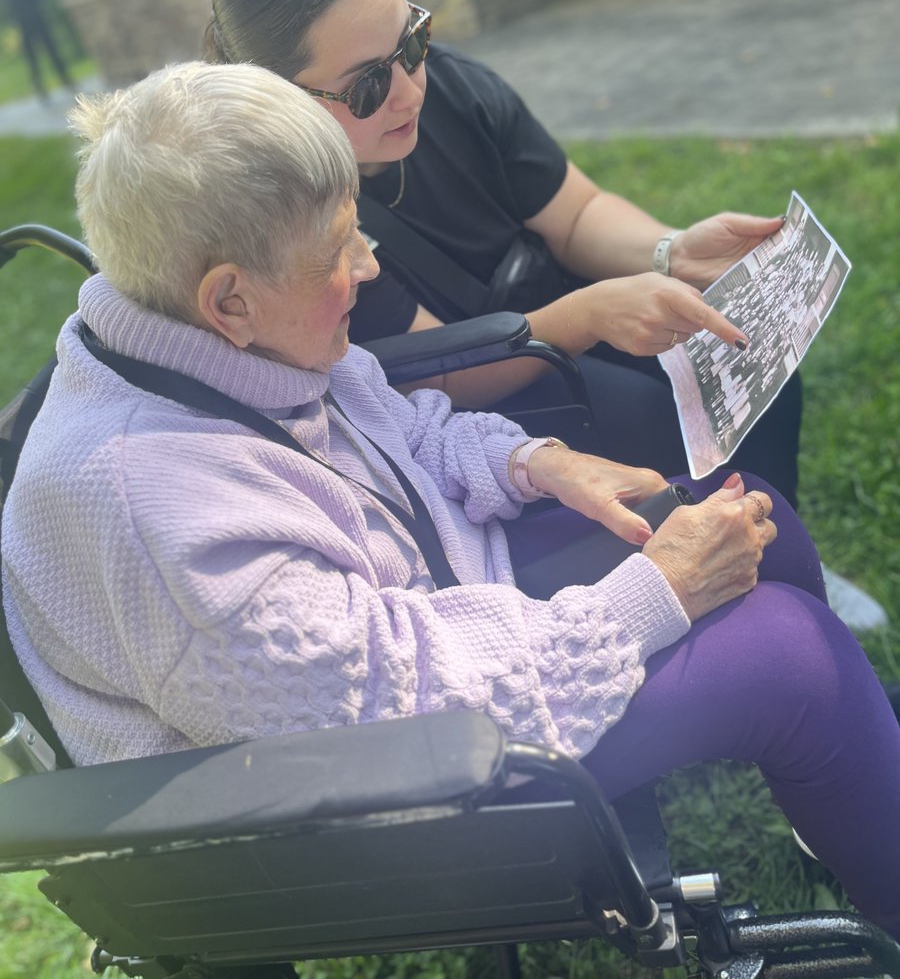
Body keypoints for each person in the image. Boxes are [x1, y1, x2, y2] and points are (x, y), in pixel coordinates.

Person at [2, 62, 898, 938]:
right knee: (789, 655)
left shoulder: (207, 333)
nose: (368, 262)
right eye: (337, 251)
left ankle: (848, 791)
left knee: (755, 518)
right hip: (369, 802)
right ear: (229, 299)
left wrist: (538, 463)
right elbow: (390, 715)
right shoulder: (161, 514)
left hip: (428, 625)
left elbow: (398, 426)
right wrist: (654, 595)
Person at [203, 0, 802, 507]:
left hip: (553, 306)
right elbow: (438, 371)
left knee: (749, 364)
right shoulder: (288, 211)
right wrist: (589, 315)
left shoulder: (452, 84)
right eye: (368, 86)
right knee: (647, 416)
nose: (410, 91)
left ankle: (777, 537)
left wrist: (670, 251)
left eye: (413, 42)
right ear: (279, 97)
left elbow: (574, 212)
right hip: (459, 401)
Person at [4, 0, 73, 100]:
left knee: (44, 53)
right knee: (38, 55)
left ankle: (60, 82)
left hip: (30, 18)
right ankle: (47, 86)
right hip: (31, 18)